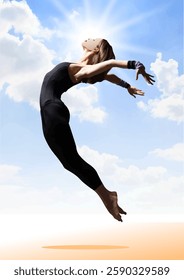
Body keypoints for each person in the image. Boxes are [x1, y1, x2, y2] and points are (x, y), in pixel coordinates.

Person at [40, 38, 155, 222]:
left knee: (71, 161)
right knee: (70, 162)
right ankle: (107, 196)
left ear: (95, 49)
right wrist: (127, 86)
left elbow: (109, 64)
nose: (88, 38)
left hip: (52, 109)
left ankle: (107, 197)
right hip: (51, 110)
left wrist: (136, 64)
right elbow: (108, 76)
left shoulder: (79, 70)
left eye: (94, 39)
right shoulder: (81, 67)